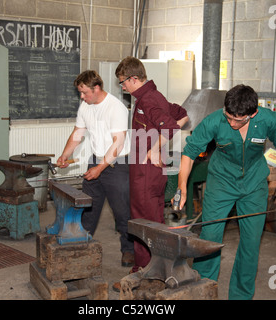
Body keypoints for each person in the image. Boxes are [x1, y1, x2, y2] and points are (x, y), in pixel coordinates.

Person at [177, 84, 276, 299]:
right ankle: (203, 291)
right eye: (229, 117)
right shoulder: (215, 120)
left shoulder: (268, 120)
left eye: (239, 119)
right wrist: (181, 187)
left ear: (253, 113)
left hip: (254, 184)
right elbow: (189, 152)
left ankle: (241, 296)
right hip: (221, 182)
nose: (232, 123)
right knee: (209, 240)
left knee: (251, 244)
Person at [115, 56, 188, 273]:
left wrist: (155, 148)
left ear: (134, 78)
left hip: (145, 172)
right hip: (154, 171)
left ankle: (143, 270)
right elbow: (182, 115)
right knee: (155, 219)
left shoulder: (147, 100)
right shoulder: (154, 95)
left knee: (142, 221)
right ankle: (161, 266)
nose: (123, 86)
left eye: (123, 82)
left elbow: (172, 126)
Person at [57, 70, 134, 267]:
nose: (82, 97)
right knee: (88, 206)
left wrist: (100, 168)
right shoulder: (86, 106)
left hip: (118, 164)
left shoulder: (116, 108)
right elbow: (78, 133)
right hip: (96, 160)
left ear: (96, 88)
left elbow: (118, 143)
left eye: (84, 92)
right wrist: (66, 154)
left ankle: (128, 250)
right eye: (80, 93)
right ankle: (83, 246)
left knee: (122, 212)